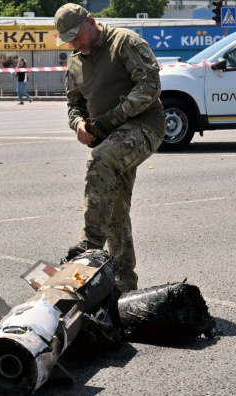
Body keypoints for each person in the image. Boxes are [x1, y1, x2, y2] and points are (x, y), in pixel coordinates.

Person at [55, 3, 165, 293]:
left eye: (76, 36)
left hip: (144, 126)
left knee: (100, 160)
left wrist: (110, 119)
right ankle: (123, 284)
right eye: (68, 39)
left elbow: (150, 86)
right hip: (108, 136)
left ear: (91, 22)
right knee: (115, 208)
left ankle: (89, 245)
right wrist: (78, 124)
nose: (73, 43)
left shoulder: (125, 42)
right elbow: (74, 104)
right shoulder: (75, 61)